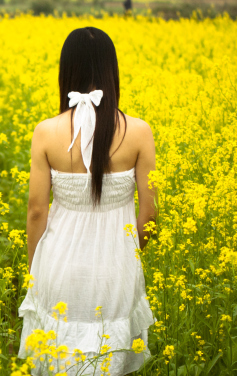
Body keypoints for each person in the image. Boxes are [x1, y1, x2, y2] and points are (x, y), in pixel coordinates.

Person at [18, 27, 156, 376]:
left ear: (66, 71)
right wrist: (129, 251)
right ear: (112, 71)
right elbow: (151, 213)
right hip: (116, 270)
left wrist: (36, 272)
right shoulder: (139, 131)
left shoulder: (46, 132)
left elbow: (36, 211)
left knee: (58, 362)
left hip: (58, 269)